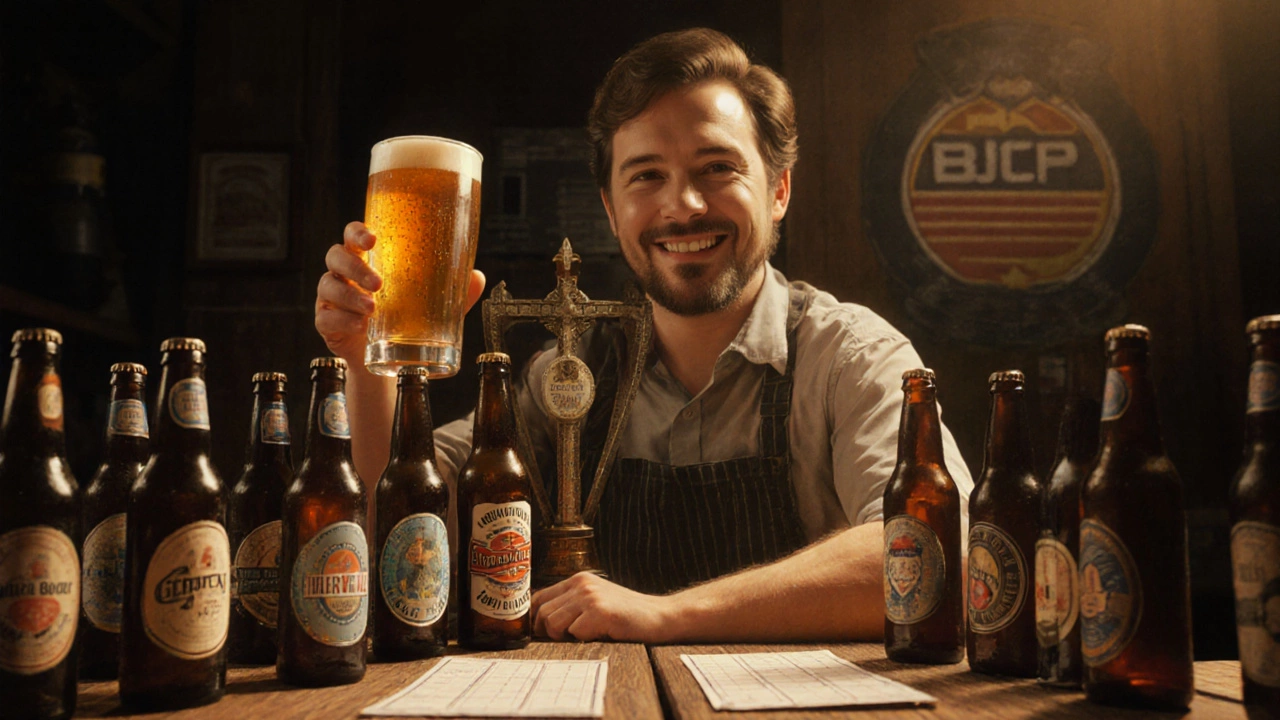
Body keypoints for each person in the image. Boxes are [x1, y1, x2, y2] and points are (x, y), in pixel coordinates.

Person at [314, 28, 973, 644]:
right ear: (610, 209)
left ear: (778, 190)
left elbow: (938, 545)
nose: (681, 205)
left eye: (717, 167)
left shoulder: (851, 357)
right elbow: (405, 541)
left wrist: (669, 615)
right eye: (647, 175)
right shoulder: (563, 379)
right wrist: (365, 364)